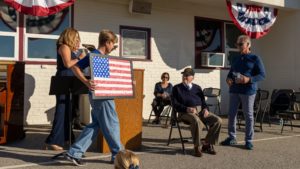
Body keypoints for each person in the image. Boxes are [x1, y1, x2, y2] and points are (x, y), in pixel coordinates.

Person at [63, 29, 122, 166]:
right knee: (112, 123)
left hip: (101, 94)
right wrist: (86, 81)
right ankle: (119, 154)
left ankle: (75, 152)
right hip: (101, 95)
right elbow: (75, 67)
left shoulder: (98, 56)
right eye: (113, 44)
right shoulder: (95, 55)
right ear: (107, 42)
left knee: (95, 125)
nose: (113, 47)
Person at [220, 35, 266, 150]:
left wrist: (248, 79)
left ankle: (249, 140)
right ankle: (232, 137)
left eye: (241, 44)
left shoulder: (255, 58)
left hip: (248, 91)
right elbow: (231, 73)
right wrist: (228, 79)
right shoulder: (236, 58)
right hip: (234, 90)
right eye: (237, 44)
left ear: (248, 45)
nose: (238, 46)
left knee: (248, 115)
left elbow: (262, 75)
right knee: (231, 114)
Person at [45, 28, 86, 151]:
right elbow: (68, 64)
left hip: (71, 80)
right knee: (62, 111)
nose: (78, 41)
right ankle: (53, 141)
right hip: (63, 79)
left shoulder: (72, 49)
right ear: (70, 37)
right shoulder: (64, 47)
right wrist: (80, 58)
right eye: (76, 38)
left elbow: (75, 66)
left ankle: (67, 138)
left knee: (69, 111)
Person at [172, 68, 222, 157]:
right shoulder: (177, 88)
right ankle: (197, 147)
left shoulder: (197, 88)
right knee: (196, 120)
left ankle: (206, 144)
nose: (184, 77)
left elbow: (203, 102)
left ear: (193, 77)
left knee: (218, 120)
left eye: (187, 75)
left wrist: (206, 109)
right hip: (185, 113)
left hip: (200, 111)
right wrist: (187, 109)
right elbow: (175, 104)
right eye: (184, 75)